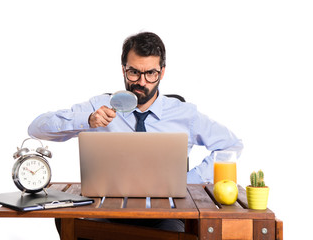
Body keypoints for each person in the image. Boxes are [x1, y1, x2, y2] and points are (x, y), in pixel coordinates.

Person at [28, 32, 243, 233]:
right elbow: (37, 128)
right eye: (134, 72)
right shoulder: (100, 105)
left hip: (164, 216)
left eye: (151, 73)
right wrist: (86, 120)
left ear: (162, 72)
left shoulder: (185, 114)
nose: (142, 82)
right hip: (106, 210)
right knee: (69, 222)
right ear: (123, 69)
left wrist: (189, 181)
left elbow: (231, 144)